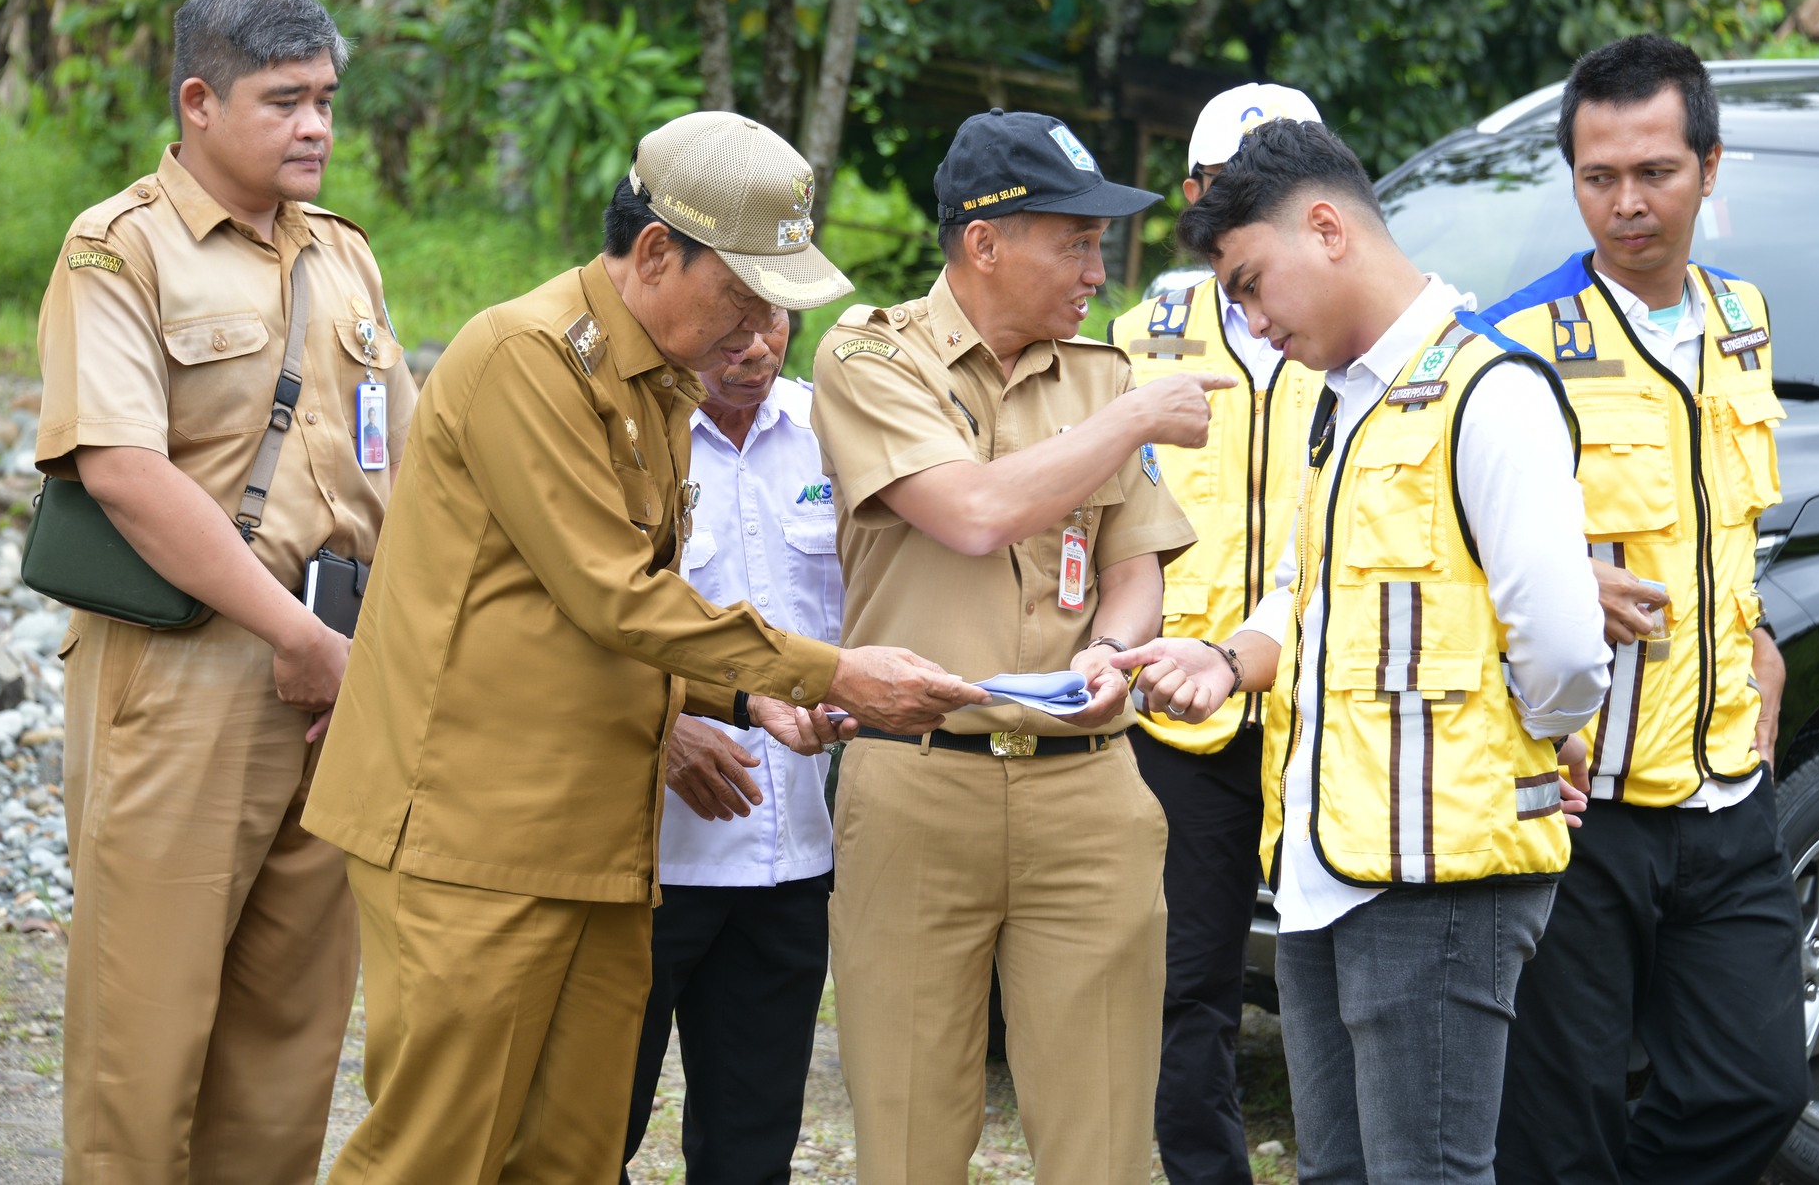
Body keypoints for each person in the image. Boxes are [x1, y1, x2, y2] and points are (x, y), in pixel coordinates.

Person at [300, 111, 985, 1184]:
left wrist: (742, 705)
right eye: (744, 292)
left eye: (777, 305)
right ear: (657, 252)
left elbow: (614, 617)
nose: (759, 328)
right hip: (469, 832)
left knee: (569, 1158)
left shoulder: (657, 381)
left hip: (602, 845)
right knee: (434, 1155)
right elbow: (612, 596)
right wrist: (832, 671)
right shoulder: (527, 358)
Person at [1113, 116, 1610, 1185]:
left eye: (1249, 284)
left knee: (1425, 1173)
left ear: (1326, 229)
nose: (1246, 320)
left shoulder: (1490, 391)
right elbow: (1308, 584)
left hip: (1438, 876)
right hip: (1325, 864)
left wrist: (1533, 745)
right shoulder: (1346, 399)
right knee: (1336, 1172)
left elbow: (1564, 644)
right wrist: (1235, 653)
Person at [34, 0, 415, 1183]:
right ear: (198, 101)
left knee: (288, 1048)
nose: (316, 127)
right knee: (142, 1053)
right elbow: (125, 473)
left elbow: (404, 469)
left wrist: (369, 658)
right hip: (186, 676)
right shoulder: (119, 250)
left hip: (335, 681)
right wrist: (292, 639)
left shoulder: (344, 260)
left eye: (327, 101)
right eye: (284, 100)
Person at [810, 107, 1222, 1185]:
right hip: (916, 779)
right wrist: (1129, 421)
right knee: (907, 1141)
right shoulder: (869, 355)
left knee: (1099, 1147)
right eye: (1074, 238)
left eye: (1101, 240)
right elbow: (974, 512)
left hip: (1086, 789)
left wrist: (1117, 651)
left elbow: (1134, 559)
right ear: (984, 241)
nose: (1100, 264)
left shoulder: (1095, 374)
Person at [1492, 35, 1808, 1185]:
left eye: (1655, 172)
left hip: (1725, 786)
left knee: (1757, 1086)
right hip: (1582, 804)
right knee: (1556, 1127)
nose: (1625, 203)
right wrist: (1557, 578)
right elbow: (1434, 550)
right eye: (1597, 176)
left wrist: (1760, 632)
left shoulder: (1742, 319)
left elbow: (1724, 520)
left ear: (1708, 168)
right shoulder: (1512, 347)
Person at [1105, 83, 1326, 1185]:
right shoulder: (1139, 334)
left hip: (1323, 702)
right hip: (1180, 707)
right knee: (1183, 976)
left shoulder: (1363, 333)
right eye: (1218, 190)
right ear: (1192, 200)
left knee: (1335, 976)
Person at [619, 306, 841, 1185]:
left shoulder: (831, 431)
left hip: (788, 862)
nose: (756, 347)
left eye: (774, 321)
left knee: (753, 1150)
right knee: (592, 1129)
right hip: (648, 860)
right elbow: (578, 616)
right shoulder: (632, 440)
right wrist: (666, 725)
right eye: (734, 324)